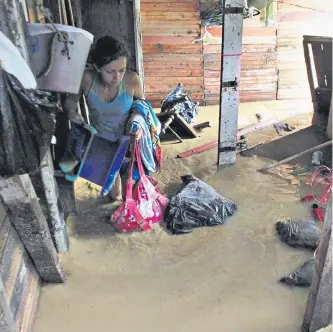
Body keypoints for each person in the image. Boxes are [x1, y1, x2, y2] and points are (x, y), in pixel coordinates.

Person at [65, 36, 145, 202]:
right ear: (97, 68)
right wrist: (72, 113)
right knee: (115, 195)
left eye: (121, 70)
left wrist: (137, 122)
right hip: (102, 141)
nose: (117, 77)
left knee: (136, 188)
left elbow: (143, 106)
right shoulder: (87, 79)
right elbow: (71, 99)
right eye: (110, 71)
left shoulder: (132, 80)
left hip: (129, 139)